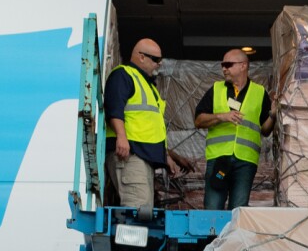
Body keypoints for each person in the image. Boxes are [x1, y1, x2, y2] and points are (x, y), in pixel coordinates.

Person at [104, 38, 194, 210]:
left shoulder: (149, 86)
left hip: (141, 157)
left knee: (143, 210)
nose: (159, 64)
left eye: (160, 60)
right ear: (141, 57)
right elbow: (114, 108)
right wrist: (121, 137)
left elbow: (151, 129)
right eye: (155, 59)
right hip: (129, 155)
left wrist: (165, 156)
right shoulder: (123, 75)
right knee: (137, 209)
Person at [194, 49, 275, 211]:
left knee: (239, 210)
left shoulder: (259, 93)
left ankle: (233, 238)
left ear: (243, 66)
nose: (224, 68)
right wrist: (221, 116)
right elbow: (198, 120)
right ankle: (212, 238)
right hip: (219, 159)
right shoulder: (216, 89)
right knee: (213, 208)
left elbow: (265, 130)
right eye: (222, 65)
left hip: (245, 162)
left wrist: (273, 115)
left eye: (228, 65)